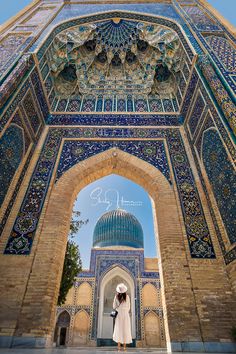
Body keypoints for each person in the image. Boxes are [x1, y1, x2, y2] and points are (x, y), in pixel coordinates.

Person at [113, 283, 132, 351]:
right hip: (125, 315)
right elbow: (129, 307)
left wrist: (119, 309)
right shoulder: (127, 297)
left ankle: (118, 347)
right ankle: (124, 347)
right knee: (125, 329)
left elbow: (114, 306)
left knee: (119, 329)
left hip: (119, 314)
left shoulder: (116, 296)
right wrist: (125, 310)